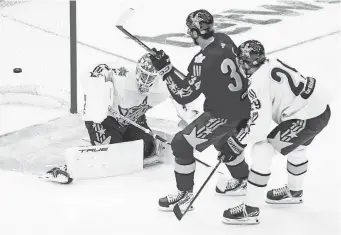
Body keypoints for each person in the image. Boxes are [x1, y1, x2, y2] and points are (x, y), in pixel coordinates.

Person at [150, 9, 251, 211]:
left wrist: (165, 71)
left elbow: (184, 94)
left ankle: (184, 195)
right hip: (244, 107)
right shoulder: (225, 39)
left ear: (194, 32)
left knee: (181, 143)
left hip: (224, 114)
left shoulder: (201, 61)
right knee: (223, 141)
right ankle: (241, 179)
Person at [222, 40, 331, 225]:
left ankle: (250, 209)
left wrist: (235, 143)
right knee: (297, 148)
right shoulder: (271, 63)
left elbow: (259, 129)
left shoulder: (258, 83)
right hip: (319, 108)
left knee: (262, 150)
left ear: (245, 62)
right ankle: (294, 192)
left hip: (306, 117)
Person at [44, 54, 199, 184]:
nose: (145, 81)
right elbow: (92, 71)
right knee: (110, 155)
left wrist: (191, 119)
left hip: (134, 118)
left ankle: (127, 141)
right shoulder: (122, 74)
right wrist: (100, 80)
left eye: (150, 77)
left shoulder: (164, 86)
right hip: (106, 118)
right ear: (137, 70)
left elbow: (184, 100)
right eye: (142, 74)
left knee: (146, 148)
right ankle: (67, 167)